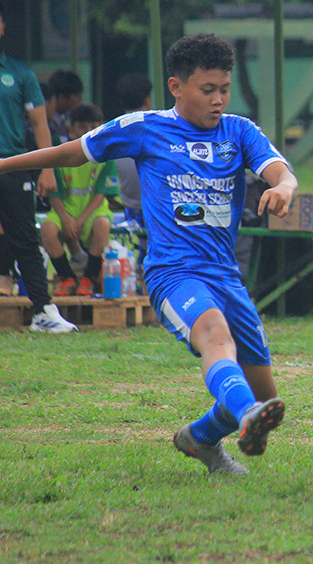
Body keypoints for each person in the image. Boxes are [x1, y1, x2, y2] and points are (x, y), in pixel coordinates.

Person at [0, 33, 297, 474]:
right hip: (173, 273)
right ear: (176, 87)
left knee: (265, 397)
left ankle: (200, 438)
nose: (218, 100)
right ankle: (245, 416)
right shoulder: (144, 127)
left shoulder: (239, 132)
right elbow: (70, 154)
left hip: (226, 276)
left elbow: (279, 171)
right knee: (217, 338)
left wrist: (283, 187)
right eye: (207, 90)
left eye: (224, 89)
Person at [0, 0, 77, 331]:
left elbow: (40, 122)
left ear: (2, 27)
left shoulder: (18, 73)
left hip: (13, 165)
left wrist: (47, 168)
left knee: (25, 238)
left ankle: (43, 311)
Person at [42, 103, 117, 297]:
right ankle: (67, 277)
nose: (89, 131)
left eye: (94, 126)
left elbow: (101, 195)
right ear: (70, 129)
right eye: (82, 126)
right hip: (65, 210)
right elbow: (54, 194)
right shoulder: (61, 153)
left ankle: (89, 279)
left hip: (92, 211)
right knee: (47, 229)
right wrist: (66, 219)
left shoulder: (106, 155)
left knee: (102, 224)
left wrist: (80, 221)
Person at [112, 73, 154, 226]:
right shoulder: (157, 131)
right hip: (153, 214)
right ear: (147, 101)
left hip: (120, 214)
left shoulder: (110, 133)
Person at [47, 69, 84, 145]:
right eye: (77, 96)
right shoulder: (45, 120)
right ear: (62, 97)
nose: (80, 99)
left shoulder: (71, 116)